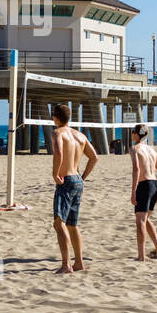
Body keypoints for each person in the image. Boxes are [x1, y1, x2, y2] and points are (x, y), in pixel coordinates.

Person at [50, 102, 98, 273]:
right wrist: (83, 177)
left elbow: (59, 153)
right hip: (77, 179)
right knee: (72, 224)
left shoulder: (57, 133)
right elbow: (94, 157)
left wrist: (55, 174)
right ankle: (79, 262)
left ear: (55, 117)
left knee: (59, 222)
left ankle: (66, 264)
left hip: (66, 180)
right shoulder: (80, 135)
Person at [129, 124, 157, 261]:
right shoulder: (152, 150)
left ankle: (141, 256)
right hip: (155, 184)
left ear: (137, 134)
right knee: (146, 219)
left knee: (140, 222)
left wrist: (133, 192)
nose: (132, 134)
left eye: (133, 131)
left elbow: (136, 170)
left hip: (144, 185)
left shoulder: (134, 149)